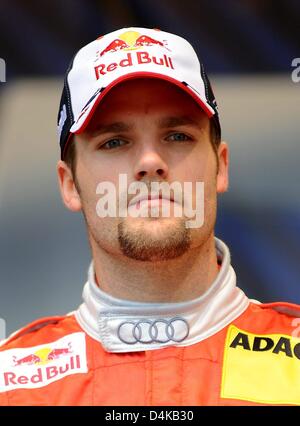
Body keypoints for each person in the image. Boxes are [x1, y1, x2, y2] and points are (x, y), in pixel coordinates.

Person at [0, 26, 300, 407]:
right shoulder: (10, 384)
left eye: (177, 136)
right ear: (70, 184)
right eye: (114, 141)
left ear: (220, 167)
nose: (149, 162)